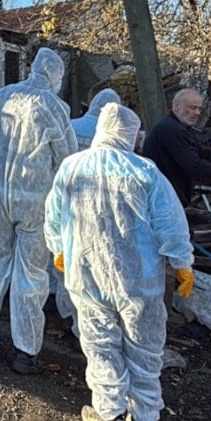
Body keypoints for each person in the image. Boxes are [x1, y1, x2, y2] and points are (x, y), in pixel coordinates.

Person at [44, 103, 194, 421]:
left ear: (101, 130)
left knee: (100, 343)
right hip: (139, 279)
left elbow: (54, 217)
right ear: (131, 134)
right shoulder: (146, 172)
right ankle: (142, 417)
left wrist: (60, 251)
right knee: (144, 345)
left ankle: (110, 415)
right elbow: (170, 223)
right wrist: (182, 263)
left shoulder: (72, 166)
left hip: (87, 274)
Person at [0, 47, 79, 374]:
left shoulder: (2, 95)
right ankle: (25, 352)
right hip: (34, 200)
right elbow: (67, 157)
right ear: (55, 76)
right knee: (31, 274)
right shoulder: (55, 107)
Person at [53, 87, 124, 336]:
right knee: (94, 266)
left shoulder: (70, 125)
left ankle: (63, 310)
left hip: (68, 203)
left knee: (66, 260)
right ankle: (89, 319)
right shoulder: (115, 136)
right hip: (101, 209)